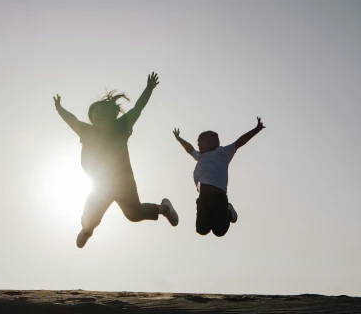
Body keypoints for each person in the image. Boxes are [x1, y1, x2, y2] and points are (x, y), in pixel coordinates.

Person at [54, 72, 179, 248]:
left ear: (111, 114)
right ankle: (87, 231)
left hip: (122, 181)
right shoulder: (87, 131)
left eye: (100, 112)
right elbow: (72, 120)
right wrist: (60, 109)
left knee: (134, 214)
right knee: (89, 218)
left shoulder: (121, 126)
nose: (96, 116)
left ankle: (164, 209)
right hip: (100, 182)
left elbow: (138, 108)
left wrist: (148, 89)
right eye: (93, 114)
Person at [173, 118, 265, 237]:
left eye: (215, 137)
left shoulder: (224, 152)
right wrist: (179, 139)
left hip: (219, 197)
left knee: (219, 231)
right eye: (202, 140)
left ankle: (229, 212)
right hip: (204, 197)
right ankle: (218, 214)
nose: (215, 137)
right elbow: (189, 149)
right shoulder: (200, 156)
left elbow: (241, 141)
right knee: (202, 229)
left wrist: (256, 129)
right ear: (201, 145)